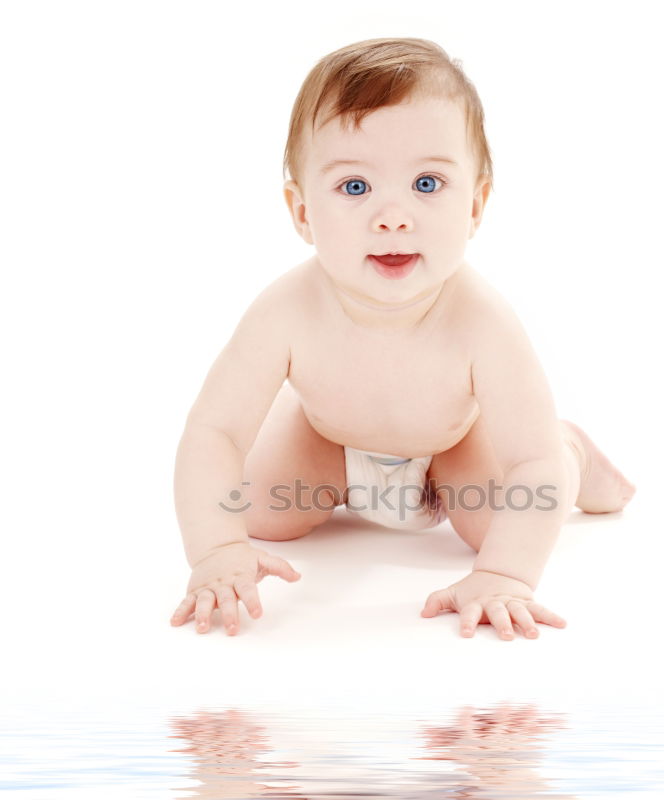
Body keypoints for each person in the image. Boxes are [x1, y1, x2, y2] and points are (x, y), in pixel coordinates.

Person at [170, 37, 635, 641]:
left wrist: (503, 574)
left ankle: (575, 450)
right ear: (302, 211)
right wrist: (216, 550)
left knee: (501, 514)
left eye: (427, 183)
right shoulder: (285, 311)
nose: (393, 216)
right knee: (259, 509)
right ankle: (314, 474)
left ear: (475, 204)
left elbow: (529, 460)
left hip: (453, 444)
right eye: (355, 187)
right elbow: (215, 431)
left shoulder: (482, 321)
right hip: (329, 438)